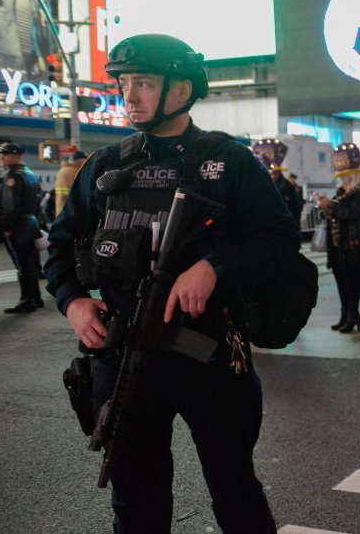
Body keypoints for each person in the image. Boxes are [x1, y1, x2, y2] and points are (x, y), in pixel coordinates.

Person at [43, 34, 298, 534]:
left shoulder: (229, 162)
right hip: (125, 355)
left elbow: (280, 241)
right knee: (135, 500)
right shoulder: (107, 165)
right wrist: (73, 302)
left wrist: (215, 267)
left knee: (235, 492)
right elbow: (60, 244)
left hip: (209, 355)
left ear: (182, 90)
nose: (129, 94)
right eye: (124, 83)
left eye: (143, 83)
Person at [319, 144, 360, 332]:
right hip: (338, 248)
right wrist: (325, 208)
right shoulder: (340, 195)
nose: (343, 183)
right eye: (342, 180)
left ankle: (353, 315)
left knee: (353, 286)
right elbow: (334, 215)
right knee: (342, 285)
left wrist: (332, 207)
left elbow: (351, 213)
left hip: (355, 248)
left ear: (354, 179)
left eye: (346, 180)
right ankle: (345, 314)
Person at [0, 142, 43, 313]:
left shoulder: (12, 176)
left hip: (17, 225)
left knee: (22, 264)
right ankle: (35, 297)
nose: (1, 158)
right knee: (30, 262)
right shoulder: (28, 173)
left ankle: (27, 299)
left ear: (15, 156)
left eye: (4, 155)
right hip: (30, 222)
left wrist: (7, 226)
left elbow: (10, 205)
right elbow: (37, 198)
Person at [54, 149, 88, 217]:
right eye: (84, 161)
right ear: (80, 161)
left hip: (62, 209)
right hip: (71, 211)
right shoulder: (74, 172)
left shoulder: (63, 170)